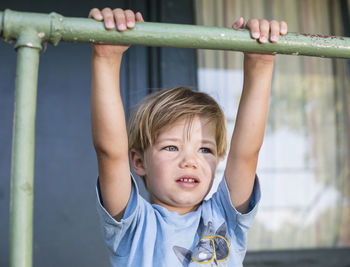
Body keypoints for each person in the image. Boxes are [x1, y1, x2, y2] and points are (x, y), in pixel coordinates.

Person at [89, 7, 287, 267]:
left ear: (217, 161)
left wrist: (260, 64)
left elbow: (247, 152)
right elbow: (110, 152)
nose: (190, 161)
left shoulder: (225, 217)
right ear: (138, 162)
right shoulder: (133, 226)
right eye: (171, 147)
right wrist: (106, 58)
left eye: (205, 150)